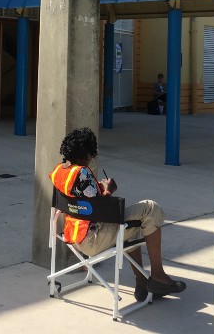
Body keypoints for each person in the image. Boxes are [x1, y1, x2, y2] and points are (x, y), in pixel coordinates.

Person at [49, 127, 186, 302]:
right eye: (92, 155)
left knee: (133, 225)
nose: (92, 159)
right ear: (86, 154)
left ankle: (142, 282)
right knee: (150, 209)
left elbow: (79, 198)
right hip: (93, 238)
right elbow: (105, 211)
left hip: (72, 236)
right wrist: (108, 190)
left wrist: (97, 188)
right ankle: (158, 276)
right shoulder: (83, 173)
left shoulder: (60, 171)